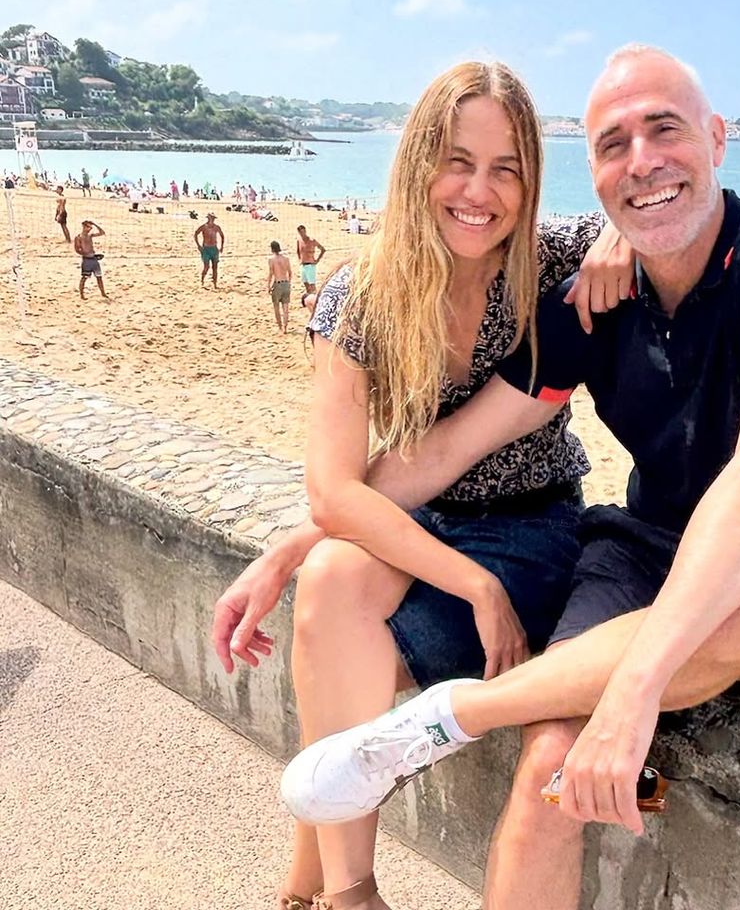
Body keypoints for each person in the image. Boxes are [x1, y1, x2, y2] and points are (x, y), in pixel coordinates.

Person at [278, 45, 740, 910]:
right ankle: (352, 860)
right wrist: (308, 536)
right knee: (552, 766)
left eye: (664, 130)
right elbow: (446, 450)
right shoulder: (591, 301)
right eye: (613, 145)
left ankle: (450, 718)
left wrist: (632, 695)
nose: (643, 162)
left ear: (716, 139)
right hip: (639, 553)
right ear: (595, 176)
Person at [211, 61, 633, 910]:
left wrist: (617, 240)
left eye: (506, 168)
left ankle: (308, 889)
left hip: (535, 528)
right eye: (457, 161)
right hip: (425, 528)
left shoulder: (548, 261)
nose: (479, 191)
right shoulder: (362, 296)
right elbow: (336, 494)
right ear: (416, 166)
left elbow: (645, 208)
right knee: (331, 582)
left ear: (530, 181)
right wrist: (465, 583)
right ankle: (351, 892)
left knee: (329, 634)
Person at [75, 220, 108, 299]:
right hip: (86, 260)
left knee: (99, 277)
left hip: (94, 259)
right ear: (84, 227)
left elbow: (102, 232)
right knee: (84, 277)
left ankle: (103, 293)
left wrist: (95, 224)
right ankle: (82, 295)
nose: (90, 229)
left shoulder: (90, 236)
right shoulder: (79, 237)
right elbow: (77, 249)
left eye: (91, 227)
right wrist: (85, 254)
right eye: (89, 227)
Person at [268, 241, 293, 334]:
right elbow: (290, 273)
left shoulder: (271, 259)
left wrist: (268, 285)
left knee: (276, 306)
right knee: (285, 307)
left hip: (277, 283)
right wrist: (288, 283)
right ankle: (285, 327)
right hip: (286, 283)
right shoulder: (286, 259)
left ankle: (280, 327)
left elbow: (271, 273)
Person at [194, 213, 224, 288]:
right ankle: (202, 281)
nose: (213, 219)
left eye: (213, 218)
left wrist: (221, 247)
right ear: (208, 218)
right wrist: (198, 246)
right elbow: (196, 234)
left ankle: (215, 284)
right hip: (206, 249)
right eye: (211, 218)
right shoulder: (204, 227)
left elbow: (222, 236)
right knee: (206, 267)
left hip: (214, 248)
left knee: (215, 267)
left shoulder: (216, 227)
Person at [296, 225, 326, 295]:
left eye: (303, 232)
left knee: (312, 284)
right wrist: (299, 260)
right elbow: (298, 251)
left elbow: (322, 249)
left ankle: (314, 298)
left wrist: (317, 260)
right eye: (301, 232)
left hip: (310, 264)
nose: (302, 234)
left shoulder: (312, 240)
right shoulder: (299, 240)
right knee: (305, 282)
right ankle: (309, 296)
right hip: (303, 264)